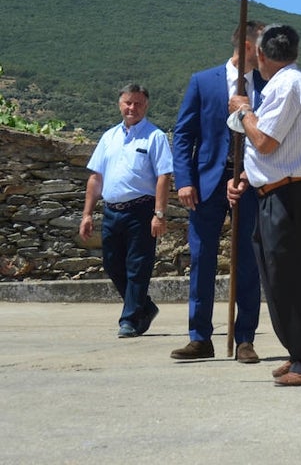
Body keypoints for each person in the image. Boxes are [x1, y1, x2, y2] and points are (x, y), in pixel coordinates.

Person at [227, 24, 301, 386]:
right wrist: (248, 176)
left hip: (289, 196)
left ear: (261, 55)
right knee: (280, 278)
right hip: (277, 192)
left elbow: (265, 141)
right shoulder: (289, 84)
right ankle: (299, 352)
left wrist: (243, 112)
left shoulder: (287, 85)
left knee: (293, 279)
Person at [169, 21, 266, 362]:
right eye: (262, 46)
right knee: (201, 258)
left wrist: (247, 173)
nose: (266, 53)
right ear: (247, 46)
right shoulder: (203, 81)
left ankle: (245, 339)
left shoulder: (268, 86)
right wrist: (183, 180)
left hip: (250, 184)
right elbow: (183, 135)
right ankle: (200, 337)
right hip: (206, 183)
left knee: (248, 262)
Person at [80, 84, 173, 338]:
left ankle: (129, 319)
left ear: (146, 106)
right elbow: (96, 177)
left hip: (141, 210)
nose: (132, 108)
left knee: (137, 267)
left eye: (138, 103)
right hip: (111, 211)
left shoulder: (155, 137)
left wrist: (159, 214)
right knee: (111, 265)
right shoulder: (109, 137)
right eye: (128, 103)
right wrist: (87, 213)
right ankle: (145, 306)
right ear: (120, 104)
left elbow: (164, 177)